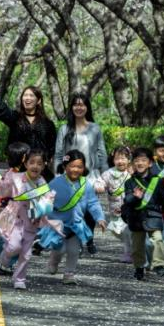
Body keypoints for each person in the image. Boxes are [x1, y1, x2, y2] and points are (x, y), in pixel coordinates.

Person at [0, 149, 54, 290]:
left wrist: (45, 208)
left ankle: (19, 279)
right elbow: (3, 189)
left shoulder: (43, 184)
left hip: (32, 222)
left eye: (39, 163)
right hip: (15, 220)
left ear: (44, 165)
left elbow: (48, 201)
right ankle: (4, 260)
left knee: (26, 254)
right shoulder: (16, 178)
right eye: (32, 162)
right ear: (25, 163)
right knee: (13, 247)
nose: (35, 166)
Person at [38, 150, 107, 285]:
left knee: (74, 250)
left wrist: (100, 217)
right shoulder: (55, 183)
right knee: (60, 248)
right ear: (65, 166)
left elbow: (93, 203)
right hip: (57, 224)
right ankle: (54, 260)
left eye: (79, 167)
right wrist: (40, 213)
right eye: (72, 166)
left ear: (84, 168)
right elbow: (46, 200)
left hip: (76, 224)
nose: (76, 169)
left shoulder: (86, 185)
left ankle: (69, 273)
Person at [54, 92, 108, 255]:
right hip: (69, 175)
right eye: (76, 104)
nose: (79, 107)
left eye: (82, 104)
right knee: (73, 209)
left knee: (90, 209)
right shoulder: (64, 129)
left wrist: (104, 176)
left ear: (87, 107)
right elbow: (58, 154)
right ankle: (76, 240)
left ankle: (89, 239)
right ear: (71, 107)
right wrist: (58, 173)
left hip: (90, 175)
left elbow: (101, 152)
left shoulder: (95, 128)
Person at [0, 69, 57, 179]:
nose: (27, 98)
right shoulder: (15, 118)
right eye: (25, 95)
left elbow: (51, 148)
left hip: (40, 171)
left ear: (38, 100)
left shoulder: (48, 123)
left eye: (31, 95)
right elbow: (1, 107)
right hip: (18, 170)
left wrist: (44, 162)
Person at [121, 147, 164, 281]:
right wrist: (135, 197)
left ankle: (159, 265)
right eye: (137, 161)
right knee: (137, 247)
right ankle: (139, 267)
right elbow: (127, 200)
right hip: (136, 218)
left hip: (153, 216)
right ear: (133, 163)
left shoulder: (157, 181)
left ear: (150, 163)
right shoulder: (129, 182)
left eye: (143, 160)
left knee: (158, 239)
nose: (140, 163)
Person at [95, 146, 133, 263]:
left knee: (127, 231)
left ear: (129, 159)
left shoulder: (132, 172)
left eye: (123, 158)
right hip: (115, 210)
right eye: (117, 158)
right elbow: (100, 181)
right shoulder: (109, 173)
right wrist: (99, 186)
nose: (120, 161)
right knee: (115, 230)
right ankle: (131, 248)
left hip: (130, 209)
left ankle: (129, 253)